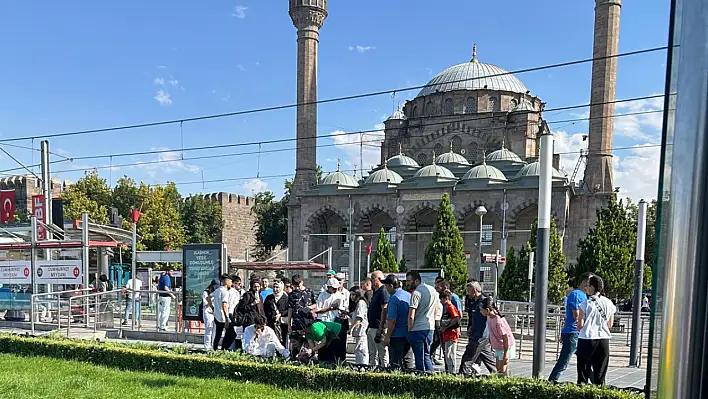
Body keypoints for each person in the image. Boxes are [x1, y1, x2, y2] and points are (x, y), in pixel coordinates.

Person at [549, 273, 592, 383]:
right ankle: (551, 381)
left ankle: (596, 382)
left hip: (577, 333)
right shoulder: (576, 295)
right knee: (564, 360)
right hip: (573, 333)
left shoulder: (584, 296)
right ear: (585, 282)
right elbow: (576, 315)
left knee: (585, 360)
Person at [576, 274, 617, 386]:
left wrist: (578, 321)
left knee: (583, 374)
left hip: (587, 339)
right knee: (600, 375)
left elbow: (580, 325)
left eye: (588, 285)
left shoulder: (585, 304)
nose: (586, 288)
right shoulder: (609, 303)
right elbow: (610, 324)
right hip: (603, 339)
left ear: (593, 287)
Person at [459, 280, 497, 375]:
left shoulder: (485, 301)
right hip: (477, 334)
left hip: (480, 336)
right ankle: (499, 376)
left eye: (469, 291)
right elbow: (472, 317)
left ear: (474, 290)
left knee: (467, 360)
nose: (468, 293)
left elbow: (493, 314)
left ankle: (461, 379)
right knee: (489, 360)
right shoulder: (474, 302)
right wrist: (470, 326)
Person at [406, 270, 439, 372]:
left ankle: (422, 379)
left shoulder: (416, 293)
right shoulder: (433, 291)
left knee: (419, 357)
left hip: (418, 328)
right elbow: (436, 310)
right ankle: (431, 378)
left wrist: (409, 330)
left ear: (416, 281)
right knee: (426, 355)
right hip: (430, 327)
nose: (407, 283)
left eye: (409, 281)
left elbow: (411, 315)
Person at [382, 274, 414, 370]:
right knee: (408, 361)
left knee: (395, 364)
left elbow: (392, 321)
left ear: (391, 286)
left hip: (397, 335)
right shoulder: (409, 295)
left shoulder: (394, 298)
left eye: (386, 286)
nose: (386, 289)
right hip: (408, 333)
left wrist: (387, 337)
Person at [480, 297, 515, 376]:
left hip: (505, 346)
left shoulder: (498, 321)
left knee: (502, 368)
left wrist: (506, 354)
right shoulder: (489, 317)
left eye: (481, 309)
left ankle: (505, 383)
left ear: (488, 310)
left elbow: (505, 337)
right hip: (498, 346)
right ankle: (503, 381)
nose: (480, 311)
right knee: (498, 367)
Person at [367, 270, 389, 367]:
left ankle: (385, 371)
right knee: (372, 353)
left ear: (379, 279)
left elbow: (384, 309)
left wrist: (381, 328)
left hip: (378, 327)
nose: (371, 280)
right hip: (372, 326)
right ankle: (373, 370)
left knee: (382, 353)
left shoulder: (383, 291)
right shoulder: (376, 292)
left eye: (373, 278)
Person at [439, 291, 461, 373]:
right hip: (448, 334)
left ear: (446, 298)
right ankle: (450, 371)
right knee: (448, 353)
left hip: (451, 334)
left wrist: (446, 327)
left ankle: (452, 371)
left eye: (441, 299)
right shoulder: (448, 307)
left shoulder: (451, 307)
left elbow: (456, 319)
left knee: (450, 354)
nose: (440, 301)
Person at [348, 286, 369, 364]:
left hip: (361, 331)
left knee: (361, 350)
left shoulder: (361, 303)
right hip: (358, 332)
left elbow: (359, 319)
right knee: (358, 350)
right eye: (351, 295)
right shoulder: (356, 304)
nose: (352, 297)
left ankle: (362, 367)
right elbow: (354, 316)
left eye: (353, 294)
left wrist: (351, 328)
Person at [264, 280, 289, 345]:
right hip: (271, 324)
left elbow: (289, 310)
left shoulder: (286, 298)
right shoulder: (269, 298)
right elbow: (265, 309)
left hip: (282, 325)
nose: (275, 289)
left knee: (281, 341)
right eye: (274, 287)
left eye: (277, 287)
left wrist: (281, 314)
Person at [211, 275, 233, 350]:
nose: (231, 283)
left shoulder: (218, 290)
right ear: (226, 282)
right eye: (230, 281)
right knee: (232, 334)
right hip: (223, 317)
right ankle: (224, 348)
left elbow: (208, 297)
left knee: (218, 334)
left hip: (217, 316)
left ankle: (215, 349)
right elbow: (224, 305)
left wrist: (213, 307)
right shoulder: (225, 291)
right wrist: (227, 318)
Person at [201, 280, 219, 350]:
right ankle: (207, 346)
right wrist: (210, 299)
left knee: (214, 330)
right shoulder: (206, 292)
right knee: (209, 329)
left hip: (215, 312)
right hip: (208, 311)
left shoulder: (216, 292)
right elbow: (206, 304)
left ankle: (213, 345)